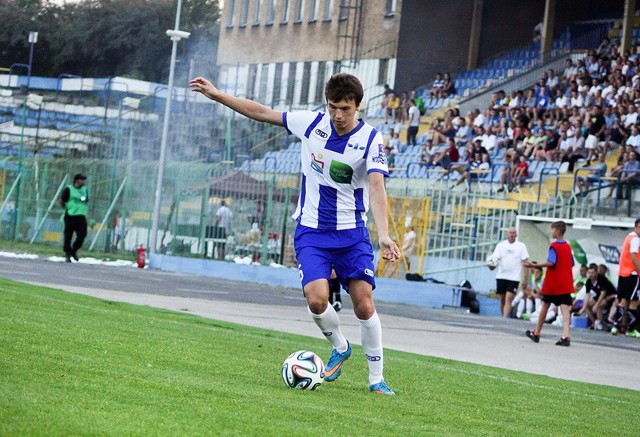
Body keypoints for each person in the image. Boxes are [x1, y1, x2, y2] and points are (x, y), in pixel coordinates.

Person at [190, 73, 400, 395]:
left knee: (363, 305)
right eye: (332, 107)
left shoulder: (372, 140)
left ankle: (376, 379)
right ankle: (341, 346)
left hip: (352, 235)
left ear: (358, 105)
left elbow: (376, 185)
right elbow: (263, 112)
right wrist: (219, 96)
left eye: (345, 108)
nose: (338, 115)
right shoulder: (310, 123)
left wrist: (383, 234)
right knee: (316, 300)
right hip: (311, 232)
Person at [524, 221, 574, 346]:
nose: (551, 232)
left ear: (557, 231)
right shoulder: (568, 246)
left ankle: (537, 332)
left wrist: (534, 265)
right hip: (565, 283)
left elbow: (551, 262)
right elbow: (571, 263)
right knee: (565, 308)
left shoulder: (554, 246)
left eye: (552, 230)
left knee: (545, 306)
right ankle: (566, 335)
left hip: (554, 283)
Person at [488, 227, 530, 318]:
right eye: (510, 232)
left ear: (516, 234)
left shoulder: (521, 246)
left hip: (514, 278)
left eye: (513, 233)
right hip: (502, 276)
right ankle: (503, 315)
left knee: (509, 299)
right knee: (503, 299)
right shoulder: (501, 245)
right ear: (507, 234)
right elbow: (495, 260)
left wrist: (525, 279)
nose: (511, 234)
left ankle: (505, 319)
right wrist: (491, 266)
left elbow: (526, 263)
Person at [610, 218, 640, 336]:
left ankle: (615, 327)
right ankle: (631, 329)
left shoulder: (629, 237)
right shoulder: (636, 240)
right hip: (632, 274)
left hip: (623, 273)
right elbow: (634, 256)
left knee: (622, 301)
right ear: (635, 227)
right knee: (633, 302)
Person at [59, 173, 89, 263]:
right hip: (70, 215)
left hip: (81, 216)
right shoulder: (69, 189)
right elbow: (62, 200)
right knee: (68, 235)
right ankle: (67, 254)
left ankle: (74, 249)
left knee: (82, 235)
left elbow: (85, 202)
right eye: (81, 179)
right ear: (76, 180)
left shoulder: (85, 190)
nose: (83, 181)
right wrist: (66, 208)